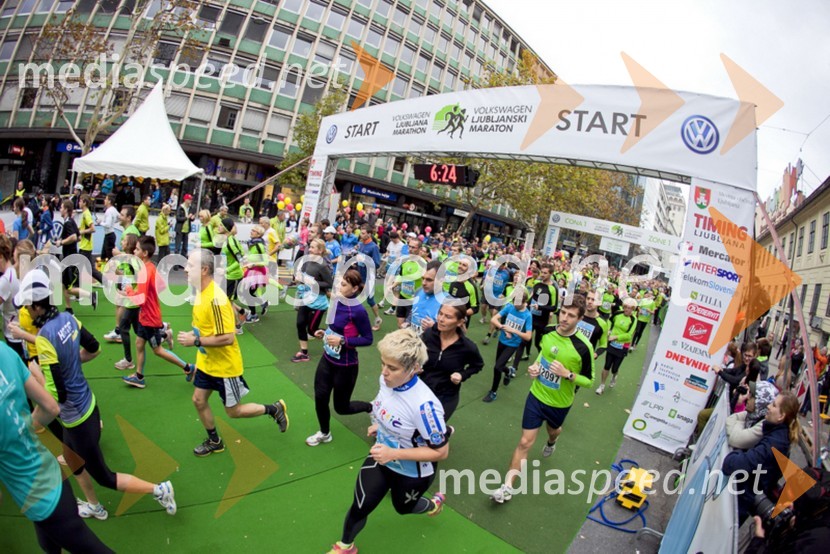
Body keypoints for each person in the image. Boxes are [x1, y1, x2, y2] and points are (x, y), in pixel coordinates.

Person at [14, 269, 177, 520]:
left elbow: (57, 397)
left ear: (37, 306)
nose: (25, 310)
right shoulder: (69, 319)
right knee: (71, 458)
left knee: (104, 476)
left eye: (27, 306)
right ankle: (94, 506)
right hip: (88, 404)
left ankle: (158, 489)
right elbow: (95, 349)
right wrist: (70, 365)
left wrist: (32, 382)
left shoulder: (45, 337)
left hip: (77, 418)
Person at [327, 328, 448, 554]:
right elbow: (384, 404)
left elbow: (441, 453)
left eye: (392, 368)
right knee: (361, 504)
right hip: (381, 459)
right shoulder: (386, 381)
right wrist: (381, 425)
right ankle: (345, 546)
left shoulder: (425, 406)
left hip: (413, 473)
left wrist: (395, 453)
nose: (384, 372)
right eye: (383, 364)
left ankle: (433, 504)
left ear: (414, 369)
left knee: (403, 508)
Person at [0, 340, 113, 553]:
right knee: (48, 544)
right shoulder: (3, 351)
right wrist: (22, 430)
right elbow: (50, 408)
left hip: (42, 501)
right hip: (52, 473)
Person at [177, 249, 288, 457]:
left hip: (225, 367)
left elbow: (228, 337)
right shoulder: (203, 292)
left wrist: (196, 340)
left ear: (203, 270)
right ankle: (214, 441)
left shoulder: (215, 299)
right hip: (206, 361)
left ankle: (274, 409)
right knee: (198, 400)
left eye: (190, 265)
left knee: (233, 412)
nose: (185, 269)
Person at [491, 294, 594, 504]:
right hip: (536, 396)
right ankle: (507, 487)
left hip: (559, 403)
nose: (565, 318)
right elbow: (543, 355)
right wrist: (536, 366)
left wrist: (568, 375)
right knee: (525, 442)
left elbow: (589, 381)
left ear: (580, 319)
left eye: (571, 315)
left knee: (553, 430)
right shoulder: (547, 332)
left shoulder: (584, 347)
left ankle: (552, 440)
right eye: (563, 312)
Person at [306, 269, 374, 446]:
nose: (338, 286)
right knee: (320, 397)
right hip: (327, 360)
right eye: (338, 282)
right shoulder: (335, 301)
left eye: (343, 284)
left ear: (354, 289)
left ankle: (371, 407)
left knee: (341, 408)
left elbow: (368, 339)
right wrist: (326, 333)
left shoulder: (358, 311)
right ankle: (324, 432)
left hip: (346, 366)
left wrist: (342, 340)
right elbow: (336, 328)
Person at [119, 236, 193, 388]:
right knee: (139, 343)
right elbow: (161, 287)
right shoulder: (151, 267)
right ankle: (139, 376)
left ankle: (188, 367)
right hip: (145, 316)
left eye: (137, 249)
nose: (134, 250)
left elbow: (140, 300)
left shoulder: (145, 271)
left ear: (144, 253)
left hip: (150, 319)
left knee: (157, 350)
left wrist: (128, 290)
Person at [723, 391, 800, 522]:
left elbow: (731, 464)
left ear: (781, 416)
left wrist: (739, 453)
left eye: (774, 405)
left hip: (741, 500)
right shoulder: (776, 433)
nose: (769, 406)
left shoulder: (774, 443)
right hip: (743, 494)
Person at [421, 303, 484, 419]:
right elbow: (417, 354)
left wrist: (462, 375)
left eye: (448, 317)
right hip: (422, 390)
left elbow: (478, 365)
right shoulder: (429, 335)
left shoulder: (467, 347)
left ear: (460, 322)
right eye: (440, 314)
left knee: (433, 432)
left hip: (446, 396)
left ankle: (447, 431)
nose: (441, 319)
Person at [483, 287, 533, 403]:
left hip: (513, 344)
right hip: (502, 341)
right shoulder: (510, 307)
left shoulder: (527, 315)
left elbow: (528, 336)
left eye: (518, 304)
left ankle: (493, 392)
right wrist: (503, 328)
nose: (515, 305)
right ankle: (508, 372)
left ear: (524, 302)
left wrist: (513, 331)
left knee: (497, 367)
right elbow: (494, 319)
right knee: (499, 365)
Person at [292, 238, 334, 362]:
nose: (310, 249)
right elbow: (303, 277)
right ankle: (304, 352)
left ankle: (334, 338)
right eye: (310, 247)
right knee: (300, 324)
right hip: (306, 298)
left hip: (318, 303)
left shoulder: (323, 265)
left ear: (320, 251)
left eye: (313, 247)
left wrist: (313, 283)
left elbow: (329, 283)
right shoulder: (307, 261)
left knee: (312, 330)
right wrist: (298, 278)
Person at [595, 297, 637, 395]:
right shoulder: (618, 313)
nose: (627, 309)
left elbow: (629, 335)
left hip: (623, 346)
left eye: (630, 308)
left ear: (633, 309)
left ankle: (614, 376)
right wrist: (609, 330)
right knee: (607, 365)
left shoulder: (633, 319)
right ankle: (601, 385)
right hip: (611, 344)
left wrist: (615, 337)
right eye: (626, 307)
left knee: (615, 368)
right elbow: (610, 321)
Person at [78, 194, 104, 285]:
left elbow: (93, 229)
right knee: (90, 269)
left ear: (84, 203)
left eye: (80, 201)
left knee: (80, 269)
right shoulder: (85, 213)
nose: (79, 203)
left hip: (85, 246)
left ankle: (77, 291)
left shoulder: (86, 214)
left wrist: (81, 232)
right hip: (85, 245)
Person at [99, 193, 119, 262]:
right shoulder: (114, 209)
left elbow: (108, 224)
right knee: (104, 255)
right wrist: (114, 221)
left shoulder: (109, 211)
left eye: (106, 199)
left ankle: (111, 271)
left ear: (109, 201)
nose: (104, 200)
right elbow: (119, 217)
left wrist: (100, 223)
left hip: (109, 235)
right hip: (110, 235)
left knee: (109, 256)